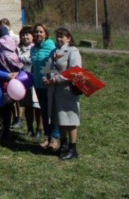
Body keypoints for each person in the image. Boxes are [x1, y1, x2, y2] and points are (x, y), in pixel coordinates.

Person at [46, 27, 83, 160]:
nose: (59, 39)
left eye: (62, 36)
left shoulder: (73, 51)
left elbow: (74, 70)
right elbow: (48, 67)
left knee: (70, 119)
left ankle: (73, 149)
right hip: (55, 91)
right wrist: (46, 77)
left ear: (68, 38)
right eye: (58, 36)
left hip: (68, 91)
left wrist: (56, 79)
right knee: (60, 119)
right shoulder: (53, 51)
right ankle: (63, 145)